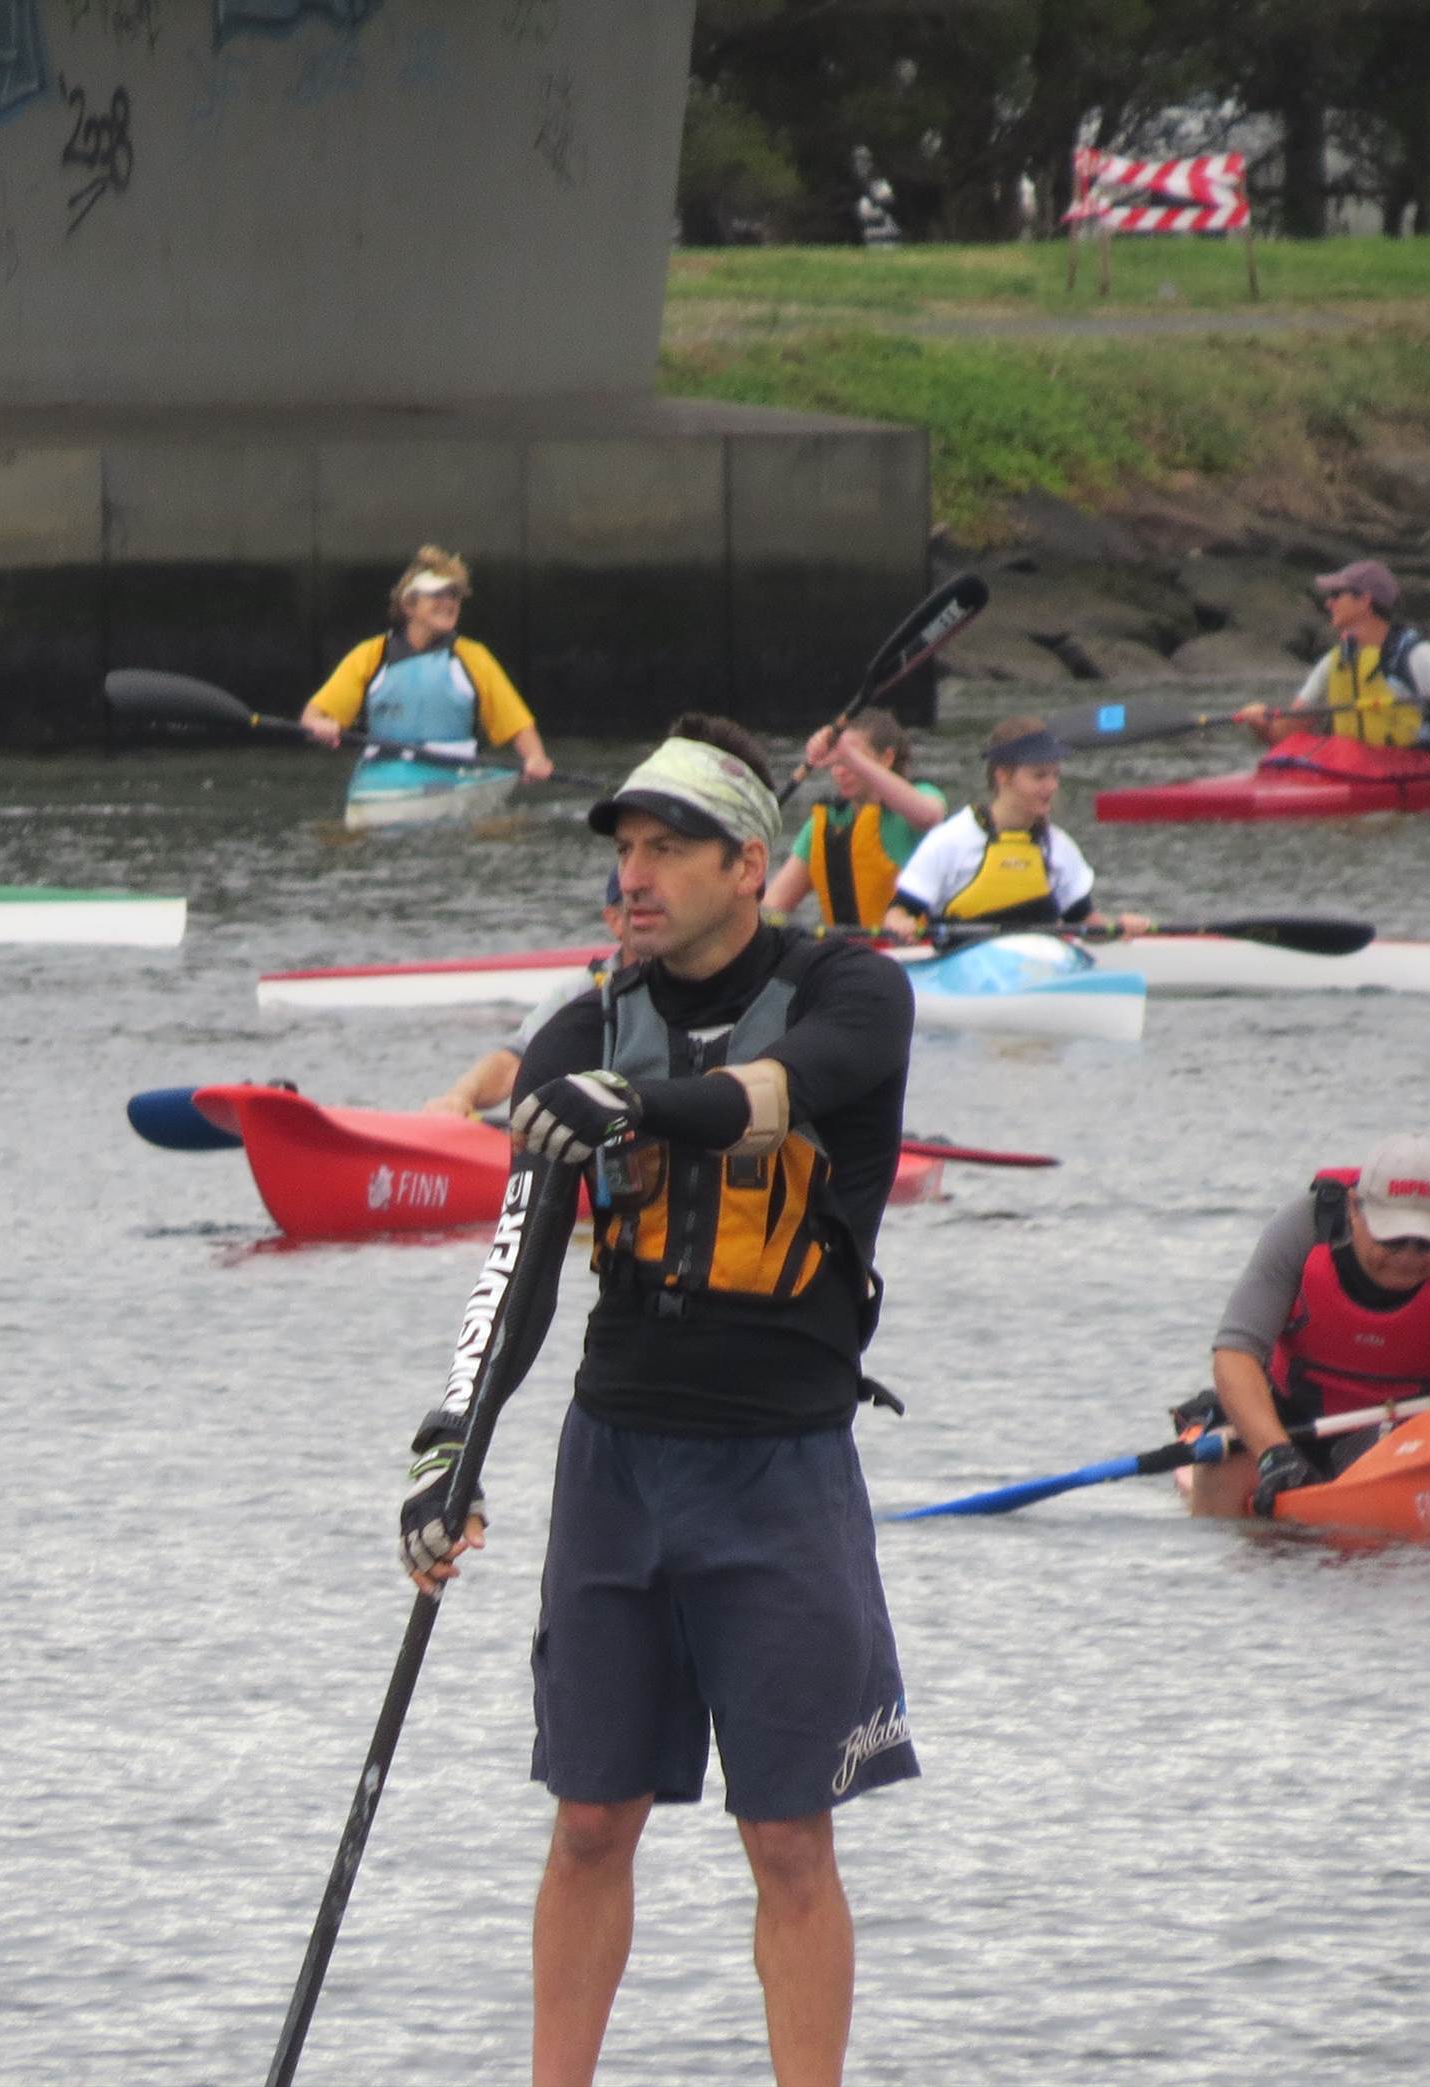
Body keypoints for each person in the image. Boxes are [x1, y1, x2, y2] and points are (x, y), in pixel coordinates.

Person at [397, 714, 916, 2087]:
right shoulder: (581, 1023)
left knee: (790, 1836)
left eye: (665, 847)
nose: (632, 873)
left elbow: (765, 1099)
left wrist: (621, 1098)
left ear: (749, 863)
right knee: (585, 1822)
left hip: (781, 1468)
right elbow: (515, 1271)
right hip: (615, 1463)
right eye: (622, 849)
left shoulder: (850, 989)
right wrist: (450, 1447)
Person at [1169, 1134, 1430, 1519]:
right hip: (1289, 1425)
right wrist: (1275, 1455)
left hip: (1409, 1435)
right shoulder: (1300, 1232)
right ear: (1355, 1210)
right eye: (1392, 1238)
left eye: (1425, 1243)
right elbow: (1234, 1354)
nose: (1407, 1257)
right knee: (1220, 1467)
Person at [299, 545, 554, 782]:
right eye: (437, 595)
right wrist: (319, 725)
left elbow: (517, 724)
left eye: (453, 595)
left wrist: (535, 758)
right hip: (383, 776)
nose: (449, 603)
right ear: (409, 605)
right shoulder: (371, 655)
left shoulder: (473, 657)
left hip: (454, 773)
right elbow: (312, 716)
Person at [879, 718, 1149, 938]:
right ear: (1003, 776)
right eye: (1039, 776)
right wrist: (900, 923)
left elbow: (1087, 923)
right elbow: (899, 912)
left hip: (1040, 972)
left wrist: (1120, 927)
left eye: (1055, 775)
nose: (1052, 786)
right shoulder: (950, 840)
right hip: (965, 973)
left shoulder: (1058, 846)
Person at [425, 873, 630, 1121]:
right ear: (614, 920)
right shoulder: (581, 990)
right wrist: (460, 1097)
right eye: (636, 905)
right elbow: (513, 1063)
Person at [1235, 560, 1430, 751]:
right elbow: (1284, 736)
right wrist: (1259, 723)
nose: (1328, 603)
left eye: (1337, 595)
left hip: (1412, 772)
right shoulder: (1333, 662)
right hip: (1348, 770)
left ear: (1365, 601)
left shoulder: (1419, 656)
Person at [762, 707, 947, 929]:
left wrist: (847, 755)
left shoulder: (921, 797)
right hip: (846, 956)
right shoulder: (825, 824)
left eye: (851, 759)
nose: (840, 770)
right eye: (836, 761)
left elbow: (929, 817)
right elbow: (774, 905)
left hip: (912, 951)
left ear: (887, 758)